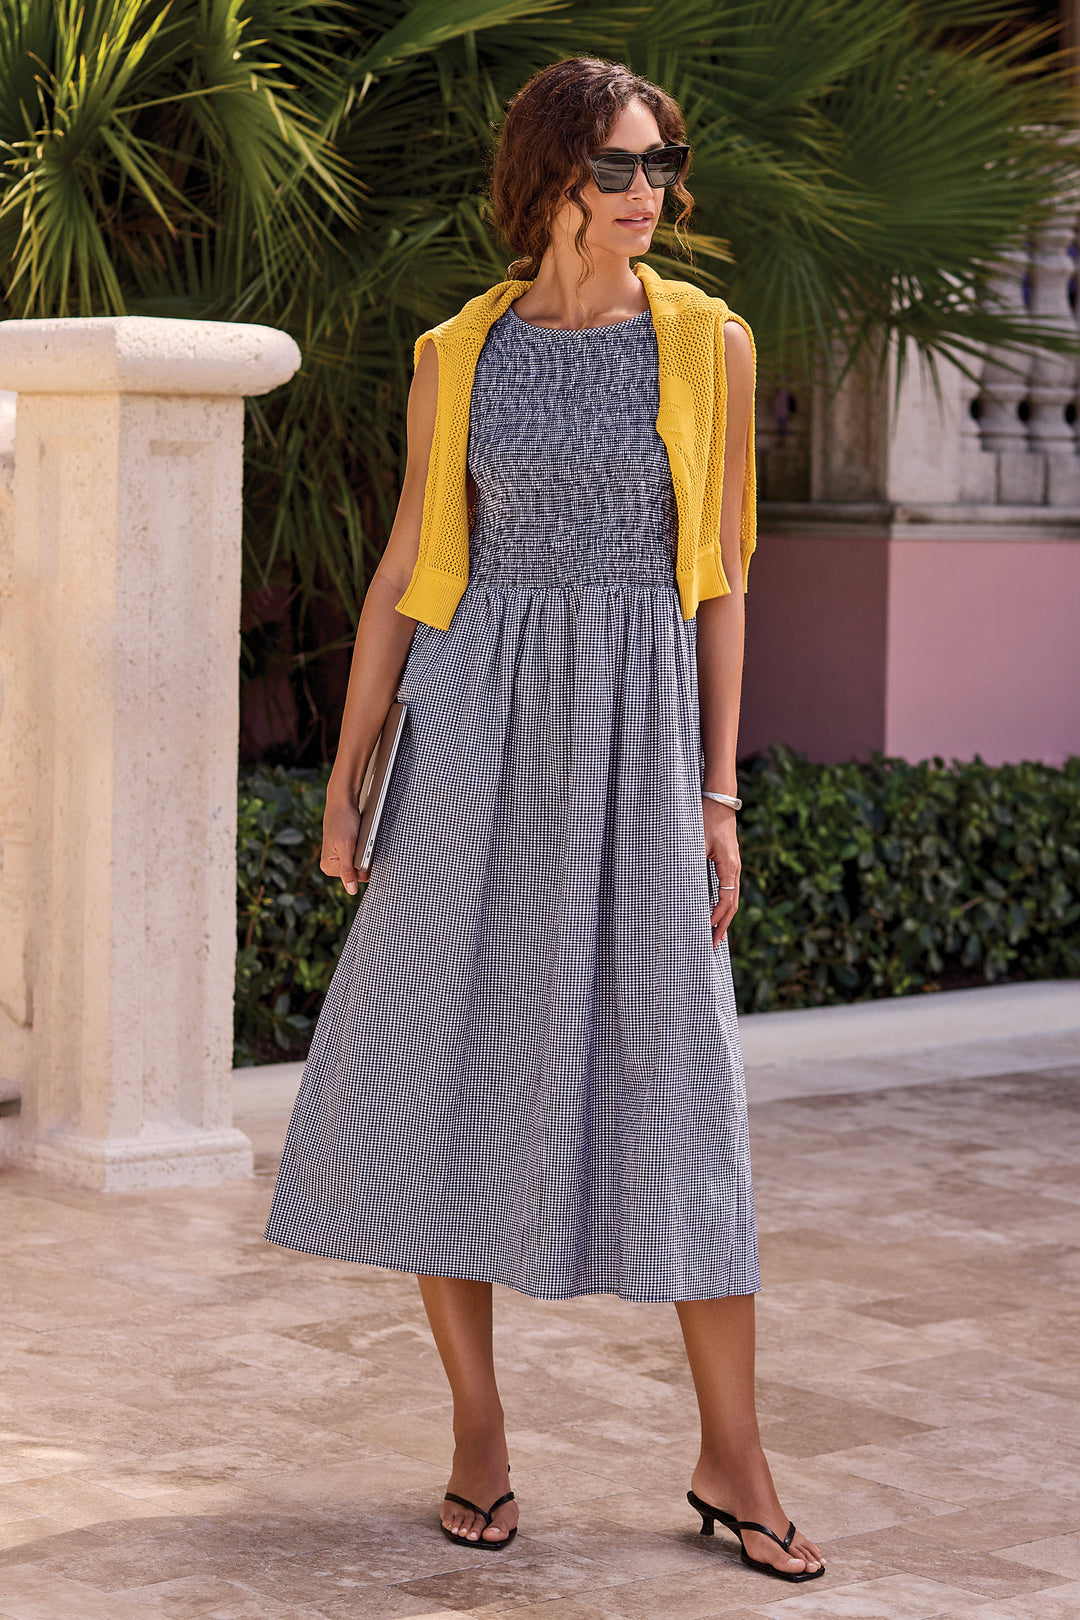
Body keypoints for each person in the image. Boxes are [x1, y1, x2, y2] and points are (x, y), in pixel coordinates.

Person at [263, 54, 825, 1585]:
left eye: (665, 166)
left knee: (685, 1085)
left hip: (639, 733)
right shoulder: (462, 351)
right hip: (472, 727)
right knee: (443, 1054)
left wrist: (718, 788)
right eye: (624, 168)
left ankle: (735, 1456)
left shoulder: (707, 341)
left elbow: (719, 578)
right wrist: (351, 757)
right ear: (552, 177)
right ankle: (478, 1431)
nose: (653, 195)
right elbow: (400, 567)